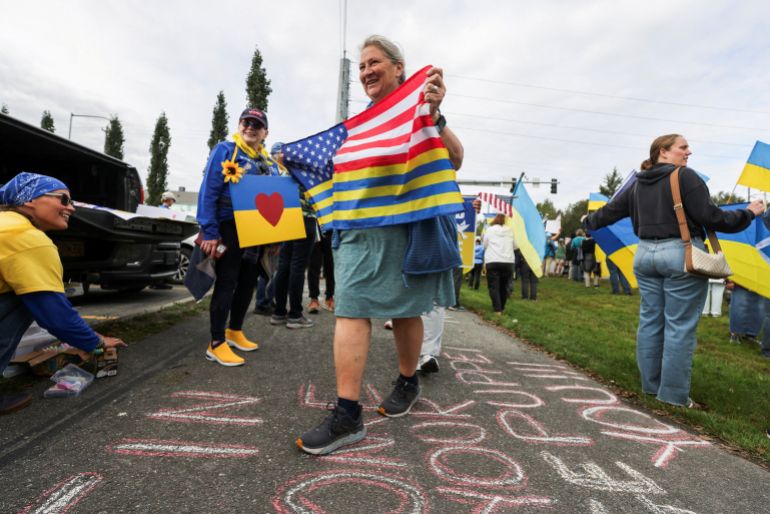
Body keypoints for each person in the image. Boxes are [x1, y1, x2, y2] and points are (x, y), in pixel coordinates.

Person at [297, 35, 464, 455]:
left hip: (405, 230)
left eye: (375, 63)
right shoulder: (357, 128)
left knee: (407, 310)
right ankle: (347, 415)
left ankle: (409, 380)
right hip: (357, 232)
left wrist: (435, 113)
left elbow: (456, 159)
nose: (367, 71)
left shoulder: (421, 113)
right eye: (362, 66)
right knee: (351, 308)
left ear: (398, 68)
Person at [585, 134, 764, 408]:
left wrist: (589, 220)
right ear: (663, 152)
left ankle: (651, 386)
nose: (688, 152)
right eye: (683, 147)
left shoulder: (636, 185)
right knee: (679, 327)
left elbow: (608, 213)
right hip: (681, 254)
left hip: (644, 255)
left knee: (650, 321)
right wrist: (749, 213)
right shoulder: (685, 177)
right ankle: (673, 397)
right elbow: (713, 218)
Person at [0, 172, 126, 414]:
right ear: (29, 200)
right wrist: (96, 342)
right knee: (27, 299)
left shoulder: (7, 224)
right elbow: (53, 313)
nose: (72, 209)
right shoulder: (28, 237)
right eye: (64, 200)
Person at [197, 108, 280, 366]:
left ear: (265, 132)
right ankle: (216, 342)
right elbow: (208, 191)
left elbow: (278, 201)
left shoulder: (269, 163)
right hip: (228, 226)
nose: (251, 127)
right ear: (239, 125)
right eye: (247, 122)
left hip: (256, 232)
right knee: (227, 281)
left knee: (248, 281)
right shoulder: (225, 150)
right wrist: (210, 230)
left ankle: (235, 330)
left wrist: (276, 237)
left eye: (257, 124)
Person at [269, 142, 318, 329]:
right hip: (305, 221)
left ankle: (279, 312)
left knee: (283, 267)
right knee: (298, 268)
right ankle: (295, 315)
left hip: (286, 219)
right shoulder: (306, 175)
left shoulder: (281, 173)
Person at [483, 214, 516, 315]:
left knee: (494, 286)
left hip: (493, 260)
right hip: (508, 261)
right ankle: (502, 307)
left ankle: (497, 309)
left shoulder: (489, 230)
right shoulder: (510, 231)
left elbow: (485, 244)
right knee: (504, 286)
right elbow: (515, 246)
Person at [306, 228, 335, 313]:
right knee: (313, 263)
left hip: (329, 225)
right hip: (314, 225)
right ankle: (314, 299)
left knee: (330, 263)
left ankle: (330, 297)